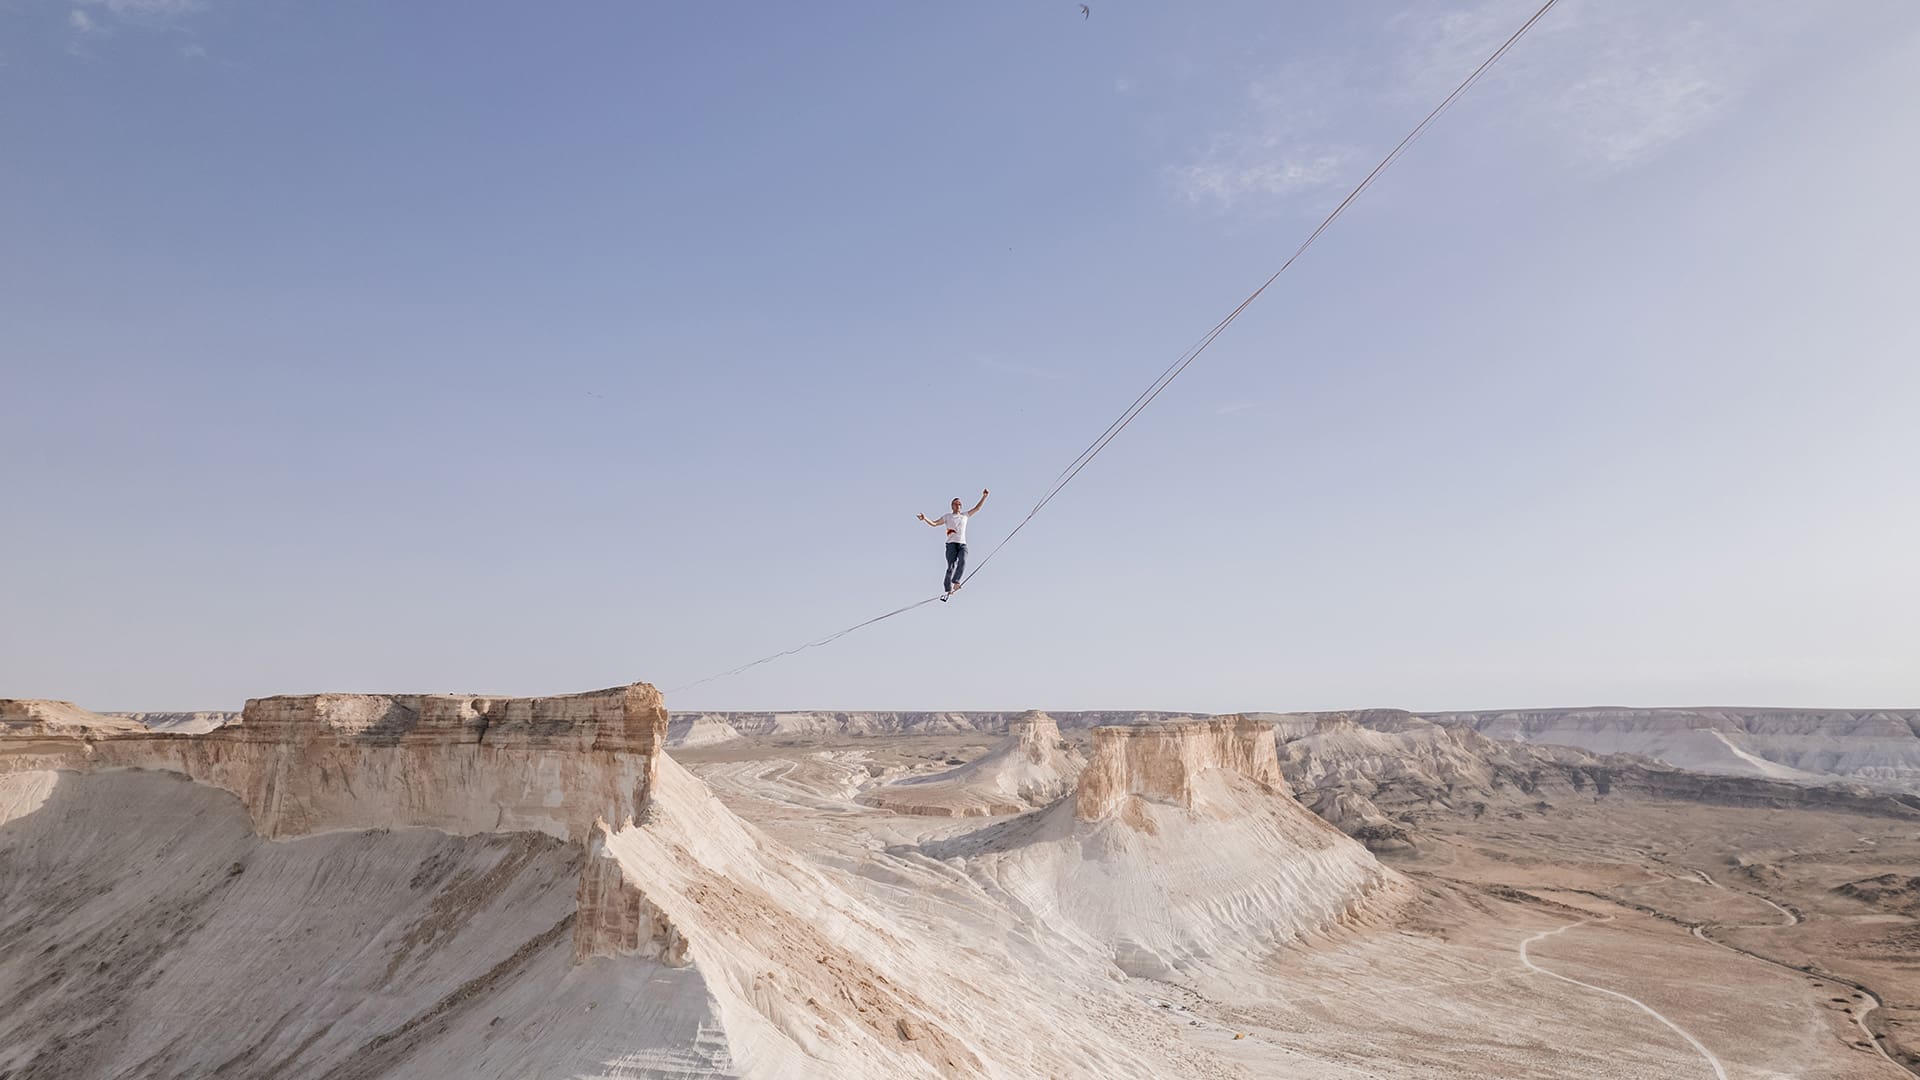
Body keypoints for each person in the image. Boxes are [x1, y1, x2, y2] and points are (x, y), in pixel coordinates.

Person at [918, 490, 987, 599]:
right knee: (951, 566)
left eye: (960, 504)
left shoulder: (965, 515)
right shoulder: (947, 516)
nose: (958, 505)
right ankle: (948, 589)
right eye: (956, 504)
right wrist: (925, 518)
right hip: (951, 545)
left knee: (963, 560)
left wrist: (984, 496)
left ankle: (956, 581)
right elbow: (934, 524)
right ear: (952, 506)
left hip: (962, 544)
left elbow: (977, 508)